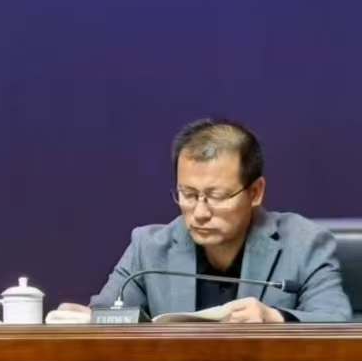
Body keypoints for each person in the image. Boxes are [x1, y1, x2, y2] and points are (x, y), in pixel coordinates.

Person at [59, 119, 351, 324]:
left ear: (255, 192)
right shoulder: (148, 248)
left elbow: (336, 322)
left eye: (217, 196)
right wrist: (88, 319)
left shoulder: (305, 244)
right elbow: (108, 315)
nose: (199, 212)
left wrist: (274, 317)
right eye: (188, 194)